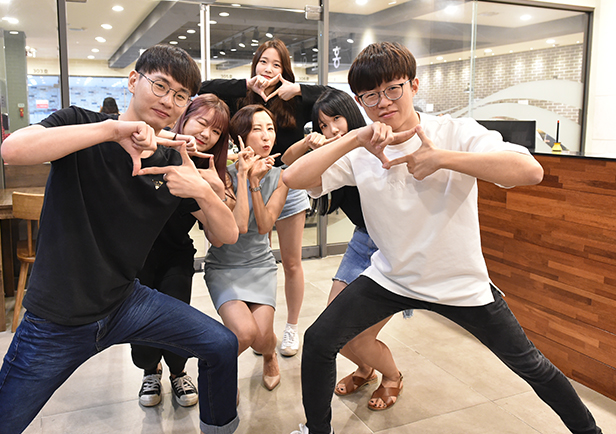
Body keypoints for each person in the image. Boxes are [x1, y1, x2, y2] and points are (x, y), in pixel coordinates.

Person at [283, 42, 602, 434]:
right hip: (392, 277)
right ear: (360, 101)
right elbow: (292, 177)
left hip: (459, 282)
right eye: (370, 95)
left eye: (393, 88)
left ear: (414, 85)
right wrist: (352, 140)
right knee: (318, 341)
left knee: (530, 365)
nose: (383, 102)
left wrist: (442, 159)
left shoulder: (454, 131)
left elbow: (529, 171)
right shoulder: (363, 146)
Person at [0, 45, 241, 434]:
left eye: (180, 95)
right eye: (160, 86)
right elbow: (12, 150)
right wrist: (114, 130)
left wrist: (204, 190)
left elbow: (226, 235)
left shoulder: (173, 160)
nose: (168, 101)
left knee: (221, 345)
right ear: (133, 81)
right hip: (56, 318)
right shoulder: (80, 124)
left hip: (125, 302)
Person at [200, 39, 330, 357]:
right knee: (257, 242)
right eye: (263, 62)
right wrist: (247, 85)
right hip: (251, 177)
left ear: (285, 69)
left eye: (276, 64)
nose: (269, 69)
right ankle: (256, 324)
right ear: (254, 65)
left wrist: (297, 90)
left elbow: (332, 96)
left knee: (292, 261)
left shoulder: (294, 99)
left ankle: (291, 327)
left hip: (286, 180)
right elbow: (203, 87)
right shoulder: (242, 97)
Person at [283, 88, 408, 411]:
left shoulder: (376, 146)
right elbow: (287, 164)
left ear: (352, 114)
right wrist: (310, 143)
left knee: (359, 337)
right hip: (362, 241)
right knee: (332, 329)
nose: (331, 130)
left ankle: (392, 376)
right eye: (323, 125)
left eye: (336, 119)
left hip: (394, 247)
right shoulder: (338, 154)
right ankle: (366, 369)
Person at [132, 94, 231, 408]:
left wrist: (213, 191)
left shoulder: (204, 169)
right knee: (140, 326)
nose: (206, 134)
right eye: (202, 123)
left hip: (176, 255)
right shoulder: (150, 147)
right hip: (135, 257)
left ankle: (178, 372)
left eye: (216, 131)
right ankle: (150, 370)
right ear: (184, 118)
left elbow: (220, 236)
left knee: (177, 319)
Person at [204, 105, 289, 391]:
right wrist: (243, 175)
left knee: (263, 339)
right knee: (243, 333)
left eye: (270, 129)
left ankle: (269, 354)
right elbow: (232, 229)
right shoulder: (223, 176)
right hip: (224, 266)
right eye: (257, 129)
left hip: (260, 265)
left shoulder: (280, 177)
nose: (266, 136)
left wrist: (255, 182)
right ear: (240, 137)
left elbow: (264, 226)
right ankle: (221, 378)